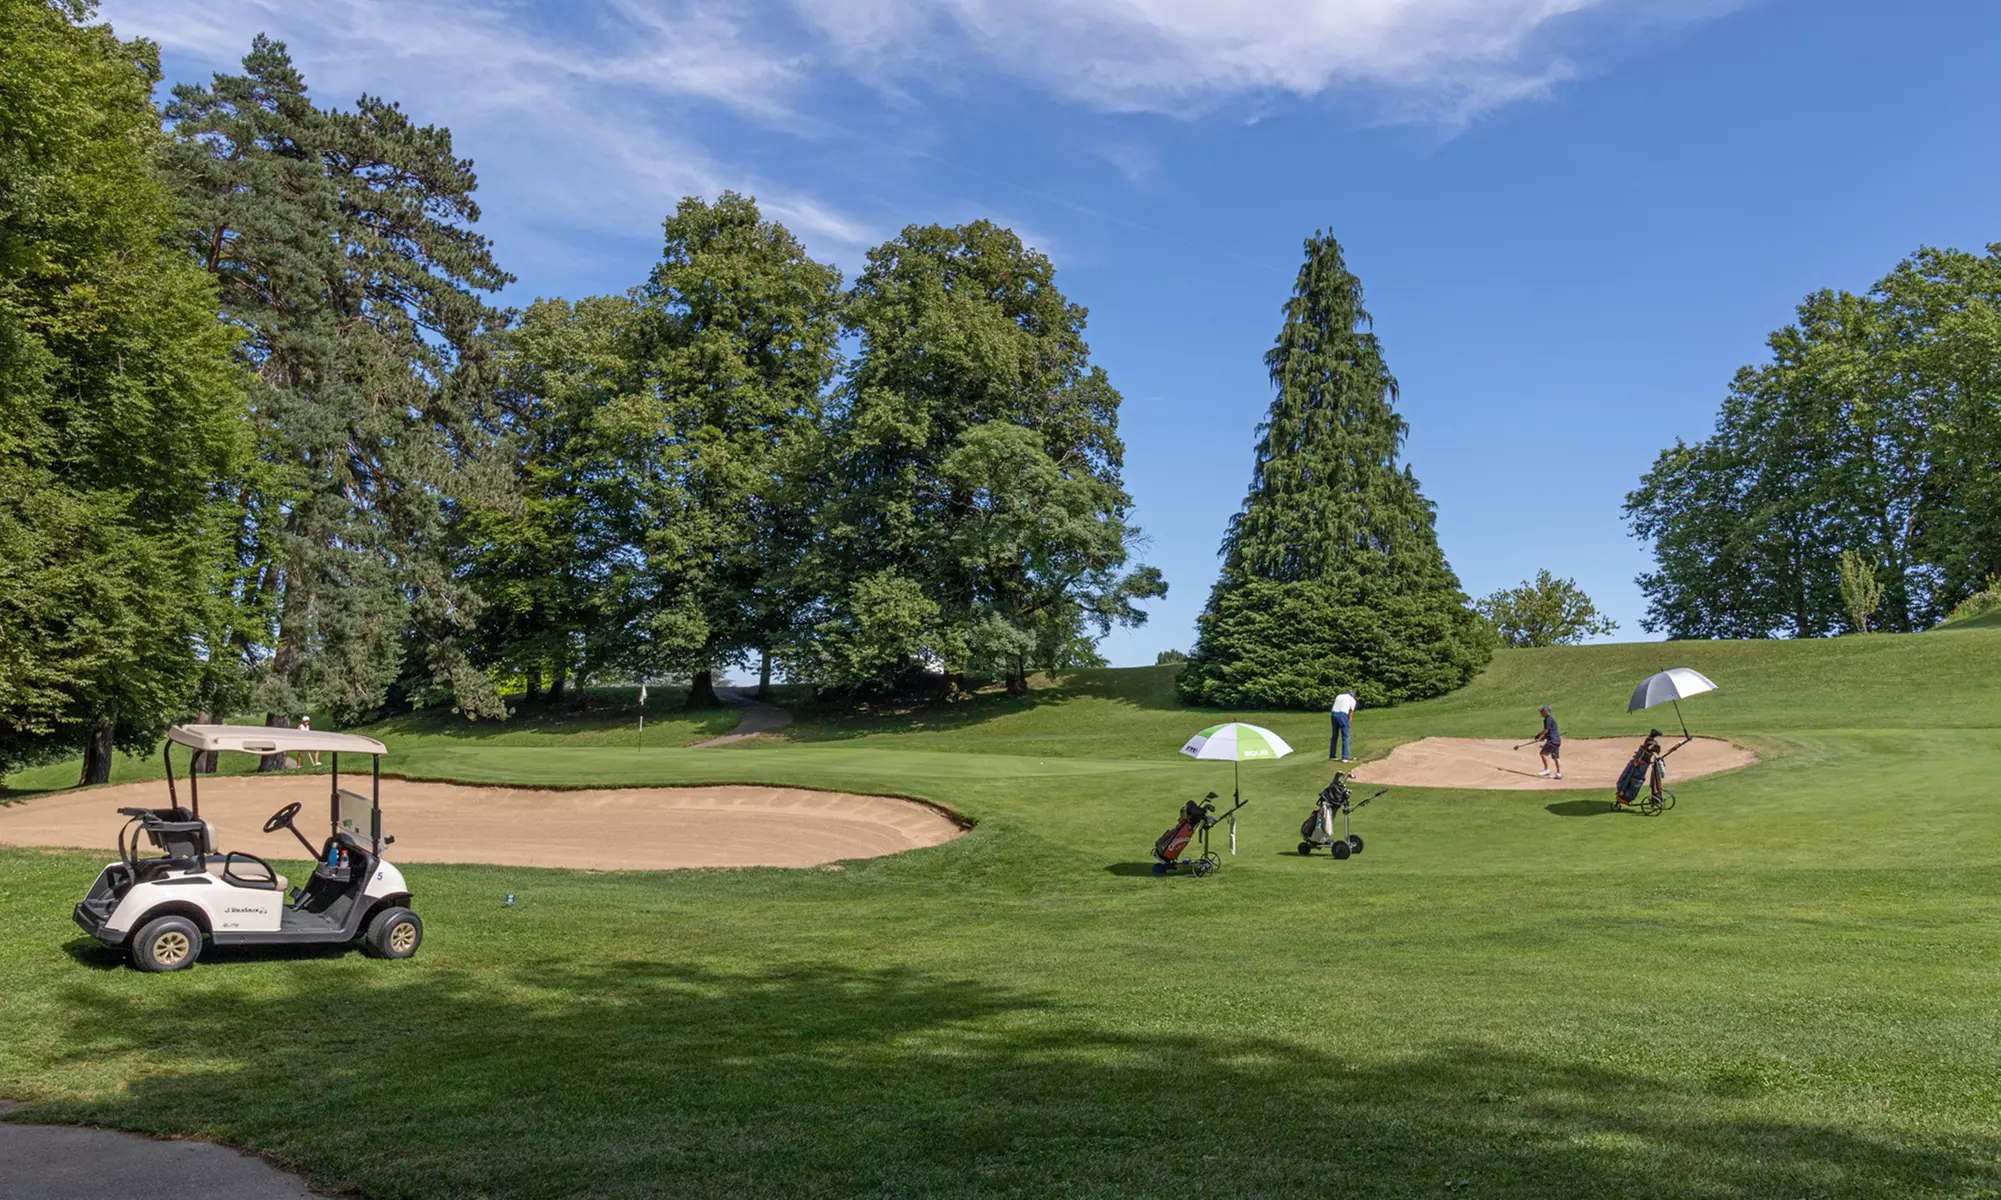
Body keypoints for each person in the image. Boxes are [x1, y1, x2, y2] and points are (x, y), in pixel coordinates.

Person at [1530, 705, 1561, 779]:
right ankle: (1558, 773)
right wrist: (1542, 738)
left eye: (1542, 711)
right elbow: (1549, 732)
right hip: (1557, 741)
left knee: (1543, 754)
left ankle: (1546, 770)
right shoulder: (1550, 719)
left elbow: (1546, 730)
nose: (1541, 712)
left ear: (1546, 712)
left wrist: (1539, 736)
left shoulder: (1548, 719)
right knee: (1556, 757)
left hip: (1552, 741)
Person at [1329, 690, 1357, 762]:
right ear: (1353, 695)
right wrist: (1349, 722)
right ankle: (1345, 757)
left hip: (1333, 714)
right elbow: (1350, 713)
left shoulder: (1339, 696)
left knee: (1334, 736)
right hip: (1342, 715)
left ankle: (1332, 756)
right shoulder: (1352, 700)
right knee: (1346, 736)